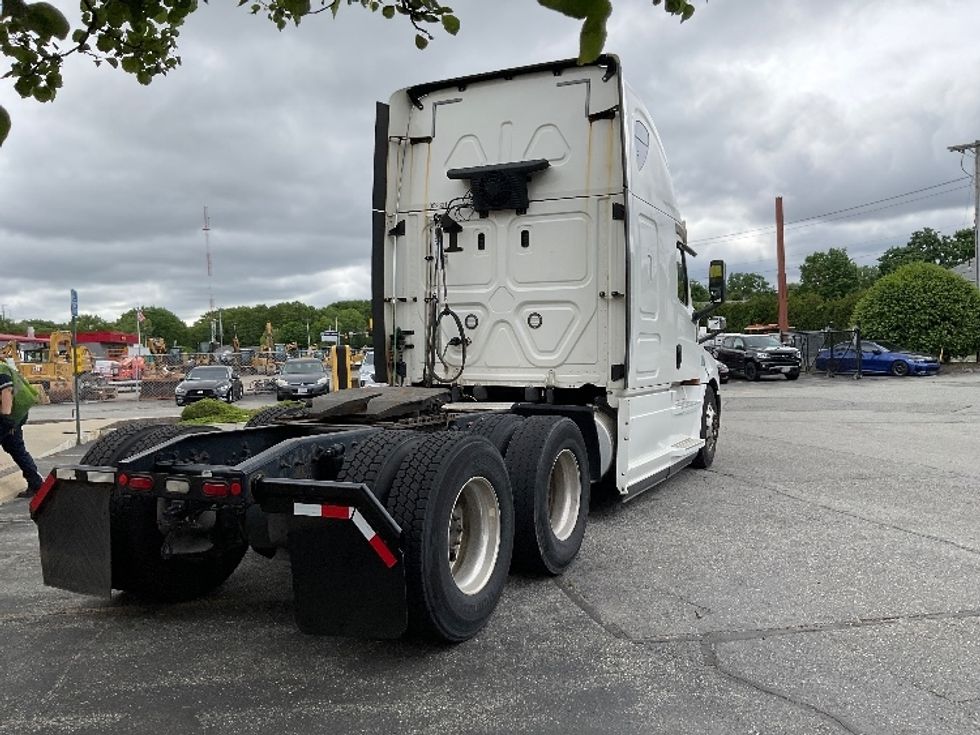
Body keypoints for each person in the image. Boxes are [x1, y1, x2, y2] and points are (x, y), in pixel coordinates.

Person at [0, 360, 44, 499]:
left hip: (8, 418)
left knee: (16, 449)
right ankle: (36, 483)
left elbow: (7, 391)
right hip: (11, 418)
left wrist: (7, 421)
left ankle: (36, 484)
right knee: (16, 449)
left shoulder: (1, 371)